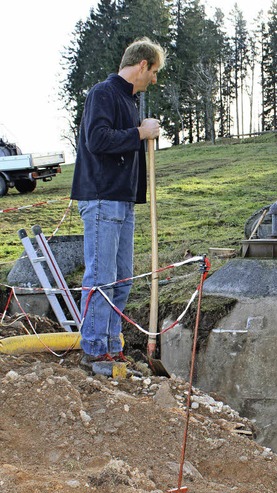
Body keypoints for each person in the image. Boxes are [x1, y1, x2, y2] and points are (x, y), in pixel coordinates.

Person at [71, 37, 166, 368]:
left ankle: (111, 343)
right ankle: (95, 351)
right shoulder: (104, 93)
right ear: (142, 65)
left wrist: (142, 131)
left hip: (122, 202)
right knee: (101, 278)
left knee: (121, 278)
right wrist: (140, 133)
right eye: (153, 71)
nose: (154, 79)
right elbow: (96, 139)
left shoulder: (130, 101)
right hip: (102, 198)